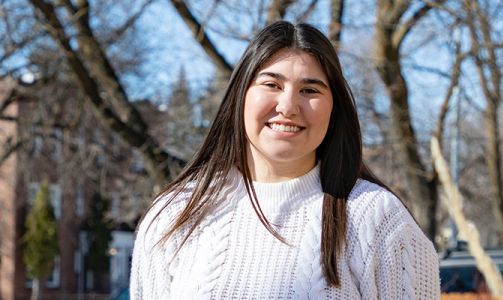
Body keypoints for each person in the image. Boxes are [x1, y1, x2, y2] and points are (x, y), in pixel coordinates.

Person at [129, 22, 440, 299]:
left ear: (334, 109)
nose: (288, 106)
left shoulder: (376, 217)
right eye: (271, 85)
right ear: (240, 97)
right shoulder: (175, 216)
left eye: (309, 89)